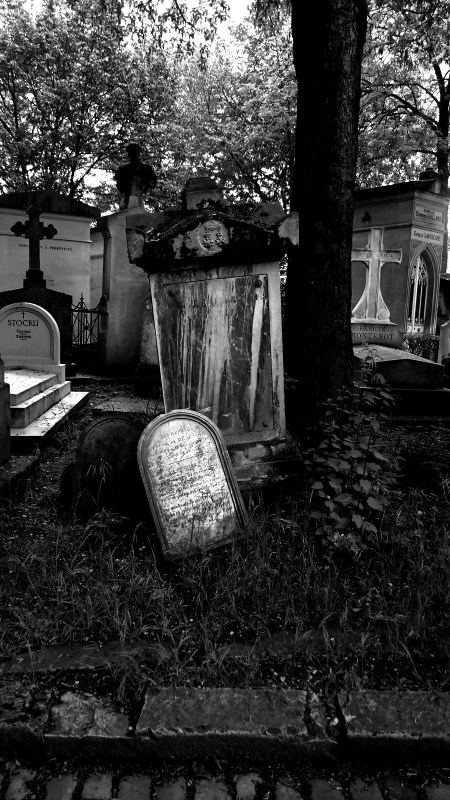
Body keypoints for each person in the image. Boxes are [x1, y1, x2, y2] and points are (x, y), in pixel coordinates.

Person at [114, 143, 157, 209]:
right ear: (139, 153)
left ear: (128, 154)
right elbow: (152, 184)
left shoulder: (123, 170)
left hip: (133, 201)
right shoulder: (146, 169)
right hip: (135, 200)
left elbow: (120, 188)